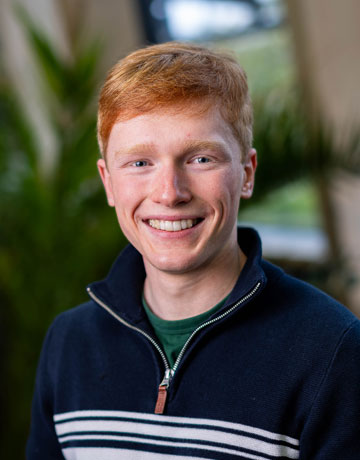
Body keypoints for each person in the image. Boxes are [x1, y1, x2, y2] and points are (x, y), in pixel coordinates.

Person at [27, 42, 360, 460]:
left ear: (246, 174)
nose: (170, 193)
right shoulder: (68, 343)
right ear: (108, 181)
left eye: (201, 158)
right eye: (139, 163)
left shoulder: (331, 350)